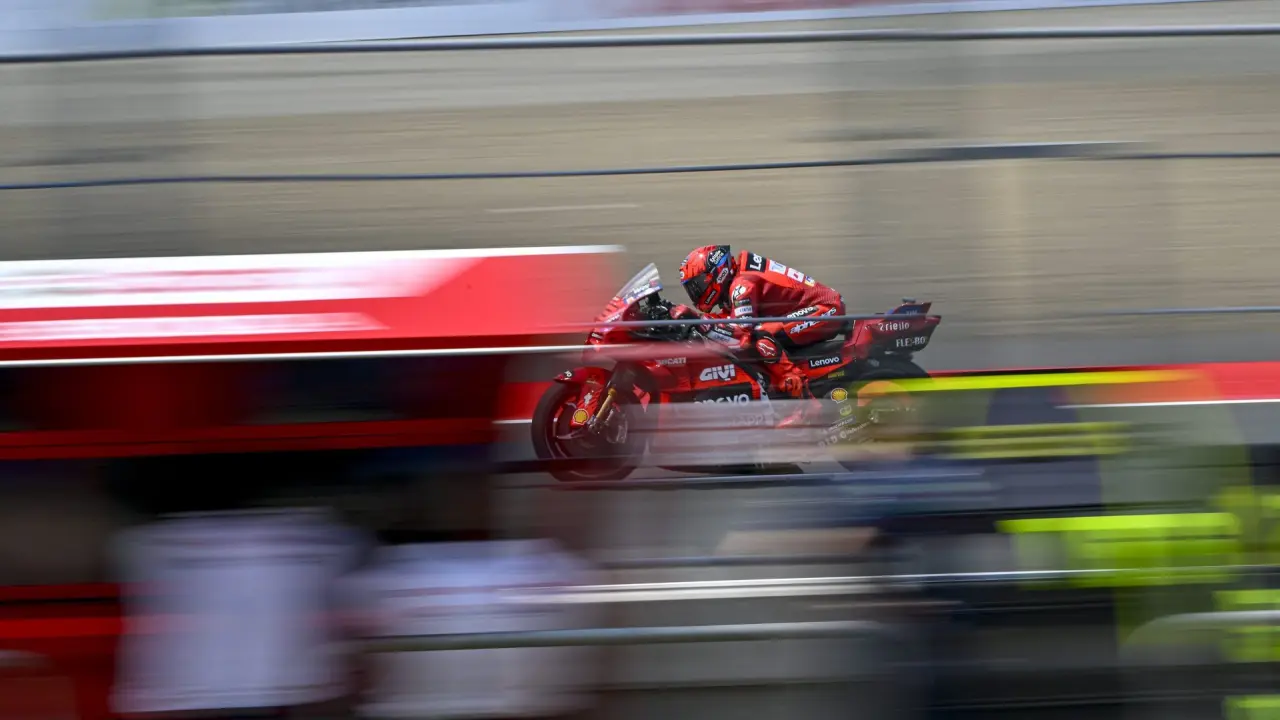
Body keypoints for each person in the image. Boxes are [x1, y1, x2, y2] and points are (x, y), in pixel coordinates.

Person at [671, 244, 846, 428]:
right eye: (691, 288)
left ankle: (807, 405)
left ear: (716, 273)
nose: (696, 292)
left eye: (697, 285)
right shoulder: (737, 279)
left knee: (759, 336)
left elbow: (743, 334)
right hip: (818, 308)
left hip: (826, 309)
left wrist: (703, 323)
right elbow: (730, 320)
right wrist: (696, 319)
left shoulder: (742, 285)